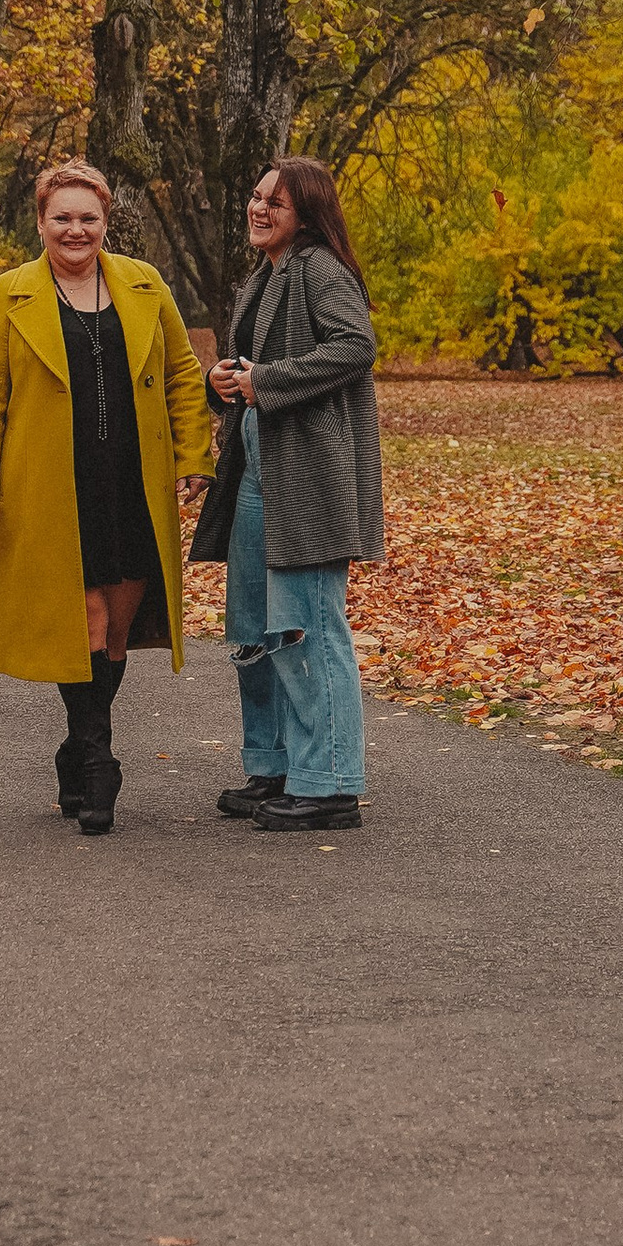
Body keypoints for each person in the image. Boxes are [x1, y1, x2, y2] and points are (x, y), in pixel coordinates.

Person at [0, 159, 209, 835]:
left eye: (87, 217)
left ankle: (75, 746)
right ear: (40, 222)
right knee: (86, 621)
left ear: (106, 221)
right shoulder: (11, 294)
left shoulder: (146, 284)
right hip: (51, 486)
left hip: (132, 480)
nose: (75, 229)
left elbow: (183, 375)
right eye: (61, 217)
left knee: (118, 623)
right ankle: (98, 761)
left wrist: (193, 459)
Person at [189, 158, 382, 833]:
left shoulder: (320, 269)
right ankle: (273, 767)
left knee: (307, 624)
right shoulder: (265, 277)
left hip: (307, 476)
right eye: (254, 193)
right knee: (255, 629)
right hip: (257, 471)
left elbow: (357, 346)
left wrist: (265, 380)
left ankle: (328, 783)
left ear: (306, 213)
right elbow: (252, 370)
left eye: (275, 200)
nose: (258, 207)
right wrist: (227, 382)